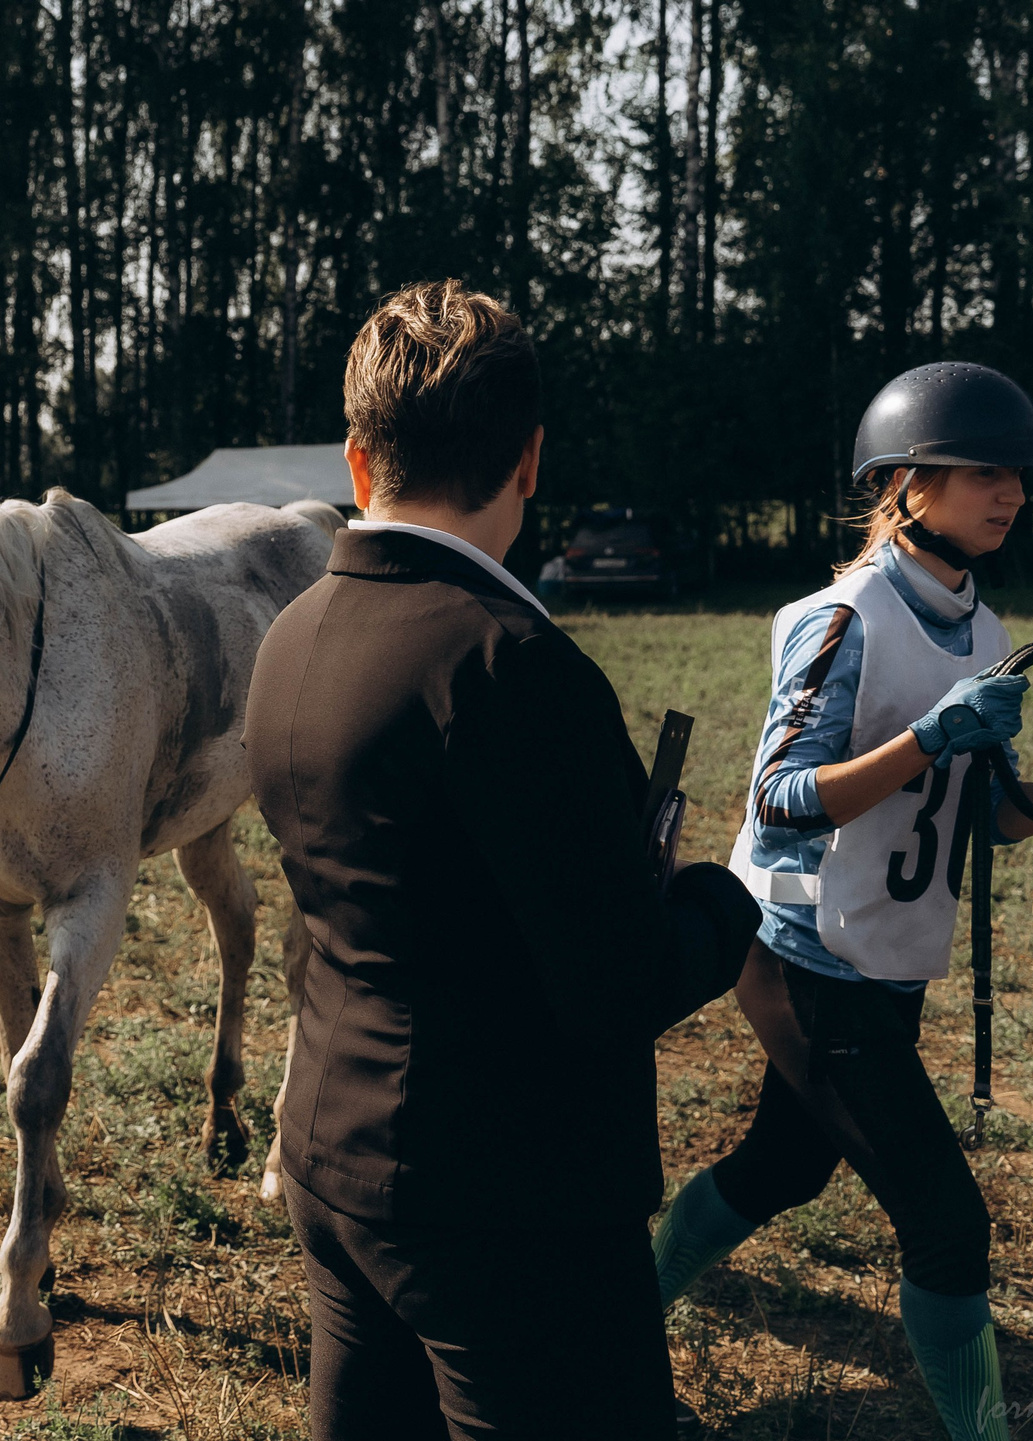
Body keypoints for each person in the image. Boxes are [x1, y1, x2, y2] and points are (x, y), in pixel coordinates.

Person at [246, 280, 760, 1440]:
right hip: (505, 1203)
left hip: (334, 1155)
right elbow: (618, 985)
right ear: (529, 462)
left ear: (357, 458)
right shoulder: (510, 667)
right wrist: (727, 899)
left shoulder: (291, 633)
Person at [649, 363, 1033, 1441]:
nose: (1008, 490)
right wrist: (927, 737)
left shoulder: (985, 628)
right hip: (800, 954)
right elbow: (775, 801)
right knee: (948, 1225)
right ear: (905, 481)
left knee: (780, 1166)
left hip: (880, 957)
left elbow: (978, 817)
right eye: (979, 470)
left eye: (1015, 472)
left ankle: (624, 1306)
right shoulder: (839, 618)